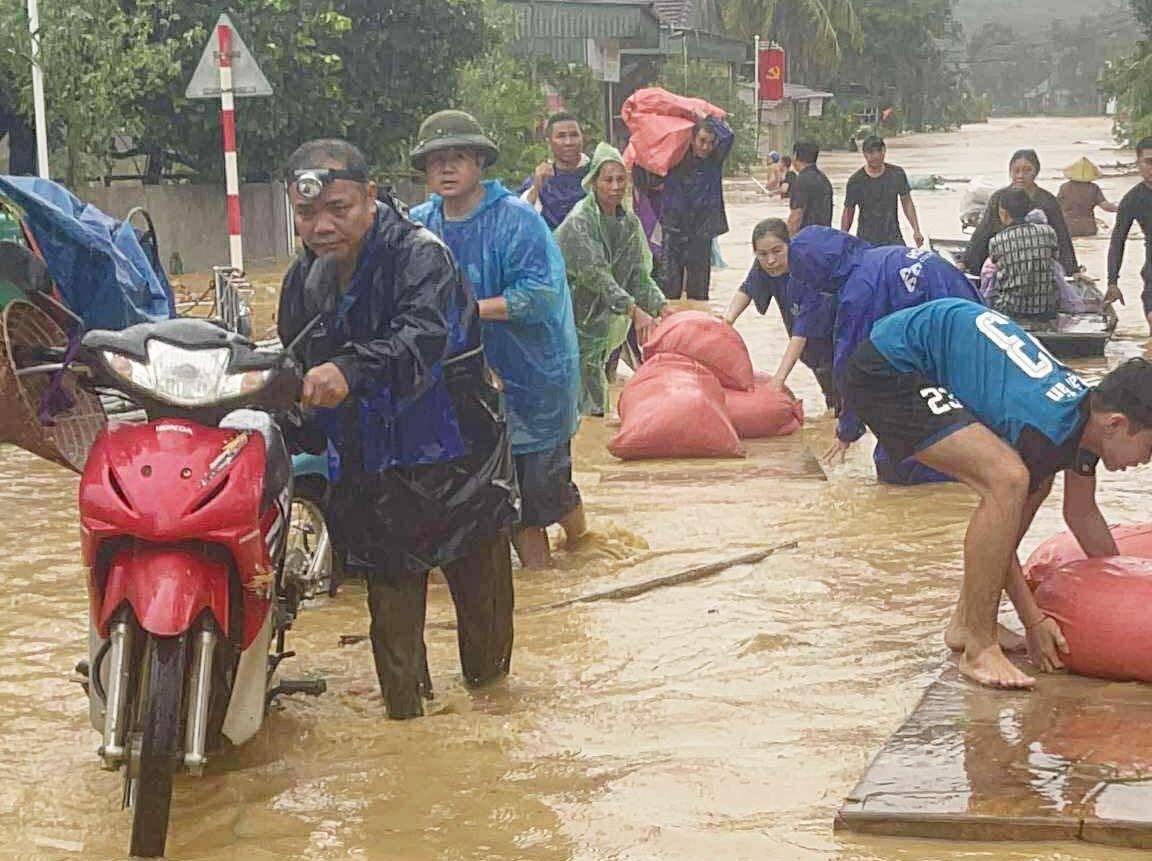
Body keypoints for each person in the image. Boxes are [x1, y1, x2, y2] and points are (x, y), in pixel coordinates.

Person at [276, 139, 518, 719]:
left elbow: (423, 338)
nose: (323, 225)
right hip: (373, 467)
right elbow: (291, 357)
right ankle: (411, 736)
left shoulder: (421, 256)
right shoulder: (304, 277)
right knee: (393, 625)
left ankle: (492, 739)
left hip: (458, 459)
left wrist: (349, 370)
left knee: (484, 639)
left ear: (371, 198)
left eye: (339, 208)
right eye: (308, 214)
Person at [842, 297, 1152, 689]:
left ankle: (965, 623)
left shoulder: (1084, 420)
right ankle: (978, 649)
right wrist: (1033, 619)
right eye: (1150, 447)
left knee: (1034, 483)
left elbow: (1082, 513)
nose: (1145, 461)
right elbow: (999, 526)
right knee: (1007, 480)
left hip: (934, 347)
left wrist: (1124, 586)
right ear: (1117, 424)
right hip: (891, 367)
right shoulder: (1042, 428)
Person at [408, 110, 584, 569]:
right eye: (436, 160)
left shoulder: (519, 221)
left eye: (458, 158)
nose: (446, 169)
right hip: (464, 385)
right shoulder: (418, 226)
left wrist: (463, 312)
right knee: (493, 502)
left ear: (480, 164)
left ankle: (555, 586)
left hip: (533, 381)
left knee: (535, 500)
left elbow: (540, 296)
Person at [767, 227, 981, 449]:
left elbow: (851, 365)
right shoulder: (882, 256)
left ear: (817, 271)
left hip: (947, 341)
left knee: (899, 462)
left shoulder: (858, 293)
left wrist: (847, 429)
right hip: (976, 324)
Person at [555, 142, 668, 416]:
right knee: (577, 390)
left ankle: (593, 439)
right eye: (608, 180)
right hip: (569, 315)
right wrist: (634, 311)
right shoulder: (578, 222)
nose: (616, 186)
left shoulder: (628, 223)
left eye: (621, 179)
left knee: (596, 388)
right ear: (593, 182)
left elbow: (637, 275)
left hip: (602, 321)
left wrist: (662, 308)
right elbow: (597, 275)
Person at [722, 217, 837, 410]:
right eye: (762, 254)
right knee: (832, 400)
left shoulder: (807, 271)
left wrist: (779, 379)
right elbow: (747, 290)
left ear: (789, 244)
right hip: (810, 351)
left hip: (835, 340)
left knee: (847, 399)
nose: (771, 261)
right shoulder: (764, 266)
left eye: (777, 251)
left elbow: (802, 331)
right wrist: (726, 322)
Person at [963, 149, 1078, 276]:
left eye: (1027, 170)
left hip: (1038, 263)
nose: (1020, 175)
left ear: (1036, 171)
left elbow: (1061, 236)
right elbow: (983, 232)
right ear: (1010, 171)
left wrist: (1072, 270)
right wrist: (966, 262)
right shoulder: (999, 198)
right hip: (1004, 262)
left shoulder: (1047, 200)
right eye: (1015, 170)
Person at [659, 114, 734, 301]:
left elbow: (728, 136)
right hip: (674, 230)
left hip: (701, 233)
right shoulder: (675, 159)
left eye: (710, 142)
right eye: (701, 141)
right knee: (669, 290)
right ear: (691, 139)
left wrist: (705, 116)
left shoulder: (714, 161)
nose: (705, 147)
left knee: (699, 292)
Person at [987, 187, 1060, 321]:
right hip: (1047, 309)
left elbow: (996, 265)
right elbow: (1055, 259)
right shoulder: (1048, 232)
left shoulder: (996, 241)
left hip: (1012, 309)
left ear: (1003, 213)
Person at [840, 135, 924, 247]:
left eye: (877, 152)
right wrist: (843, 237)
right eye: (870, 152)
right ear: (864, 154)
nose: (874, 156)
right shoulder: (856, 180)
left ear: (884, 151)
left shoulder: (896, 174)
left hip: (893, 237)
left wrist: (916, 230)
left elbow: (907, 202)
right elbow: (848, 210)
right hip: (866, 240)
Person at [1106, 136, 1152, 335]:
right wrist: (1112, 282)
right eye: (1149, 162)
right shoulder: (1132, 200)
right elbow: (1118, 241)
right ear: (1138, 164)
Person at [518, 112, 590, 230]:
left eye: (574, 135)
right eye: (561, 136)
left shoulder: (596, 174)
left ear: (583, 138)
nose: (568, 142)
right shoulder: (541, 179)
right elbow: (520, 218)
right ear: (549, 142)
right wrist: (536, 188)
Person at [1058, 157, 1117, 237]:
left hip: (1069, 226)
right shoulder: (1093, 188)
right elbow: (1105, 206)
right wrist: (1120, 209)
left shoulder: (1064, 187)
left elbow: (1057, 206)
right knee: (1089, 246)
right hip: (1088, 227)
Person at [788, 141, 833, 235]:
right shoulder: (824, 179)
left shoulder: (801, 181)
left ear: (795, 156)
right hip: (824, 237)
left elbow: (796, 215)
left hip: (806, 239)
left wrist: (788, 241)